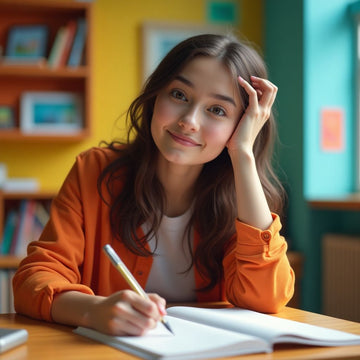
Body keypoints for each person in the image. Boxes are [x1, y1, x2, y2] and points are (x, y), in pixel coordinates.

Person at [13, 33, 294, 336]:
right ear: (156, 95)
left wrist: (243, 154)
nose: (189, 120)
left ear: (241, 125)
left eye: (217, 110)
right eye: (179, 95)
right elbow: (35, 279)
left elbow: (267, 300)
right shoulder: (94, 171)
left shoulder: (247, 197)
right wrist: (94, 311)